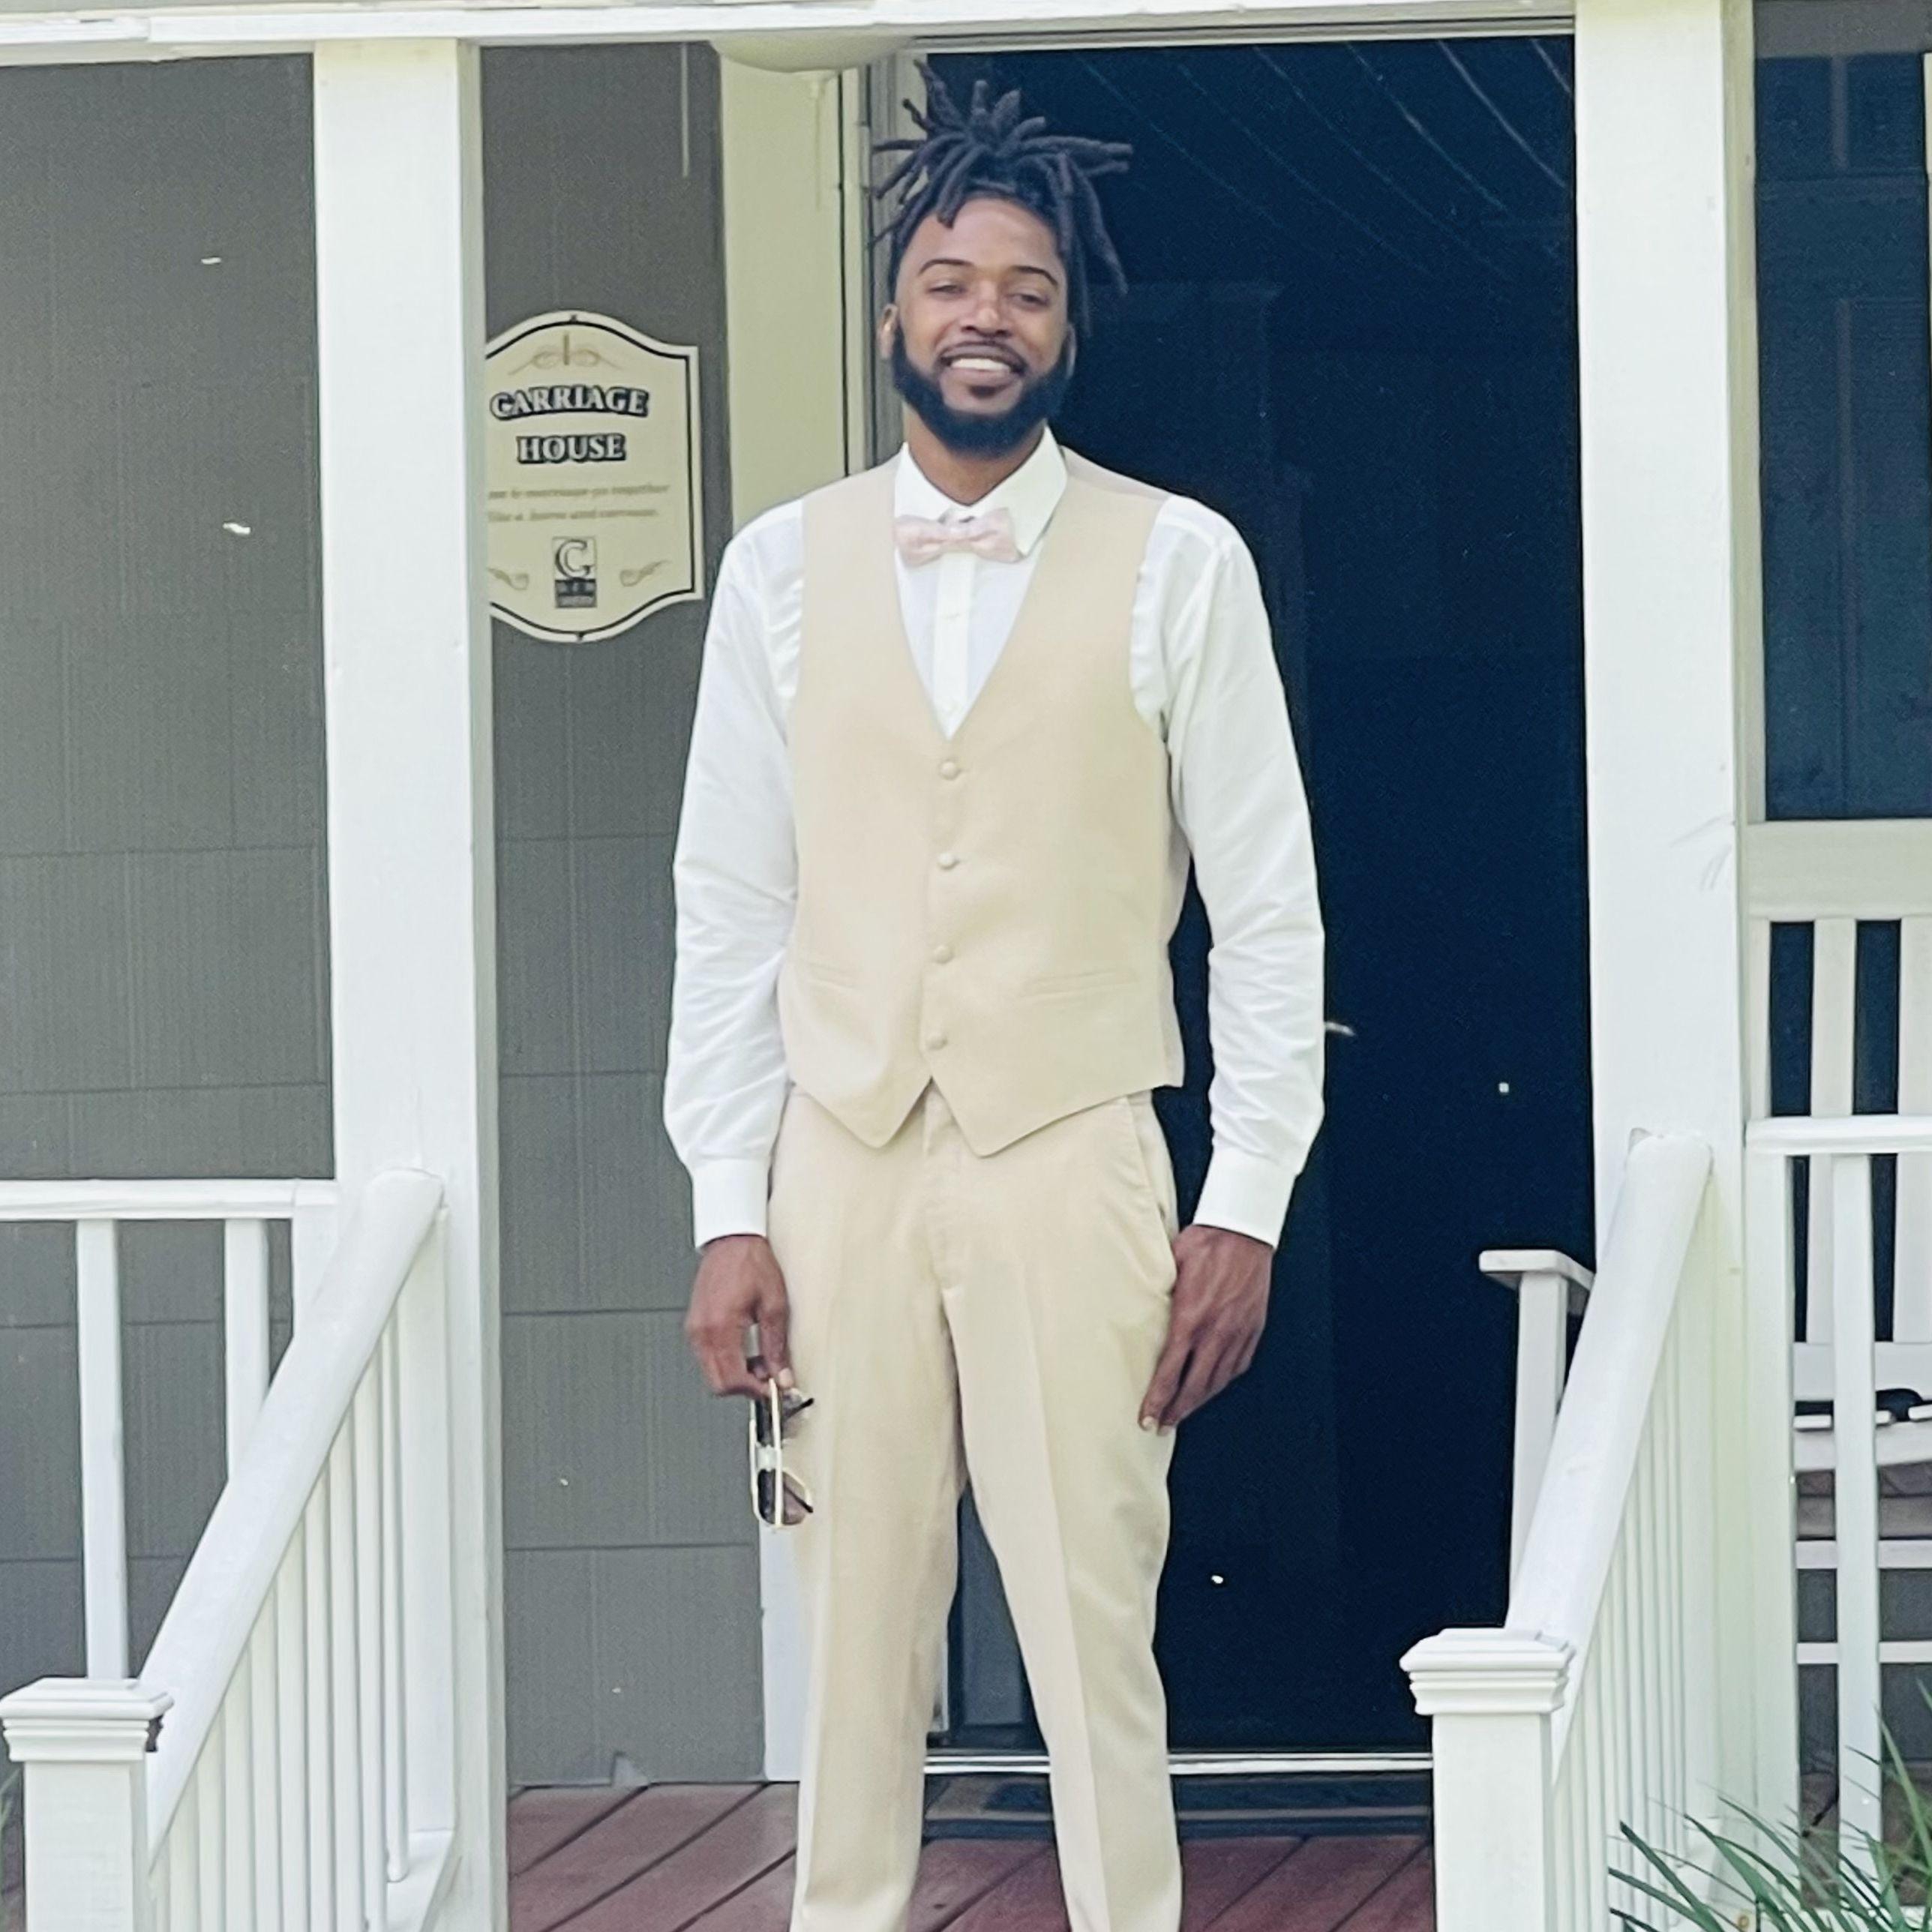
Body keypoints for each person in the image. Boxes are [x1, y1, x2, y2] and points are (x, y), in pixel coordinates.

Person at [663, 64, 1325, 1932]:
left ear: (1067, 328)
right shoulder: (777, 572)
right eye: (950, 281)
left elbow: (1268, 914)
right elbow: (729, 907)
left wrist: (1243, 1201)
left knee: (1095, 1631)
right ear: (893, 314)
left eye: (1025, 289)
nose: (986, 316)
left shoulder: (1178, 561)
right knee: (850, 1645)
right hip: (841, 1153)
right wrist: (725, 1204)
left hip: (1073, 1148)